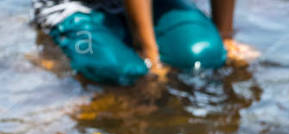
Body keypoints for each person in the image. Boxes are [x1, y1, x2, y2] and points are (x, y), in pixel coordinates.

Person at [32, 0, 255, 86]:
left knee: (205, 55)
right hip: (79, 6)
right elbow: (148, 61)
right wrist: (150, 57)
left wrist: (225, 36)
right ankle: (53, 54)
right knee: (127, 72)